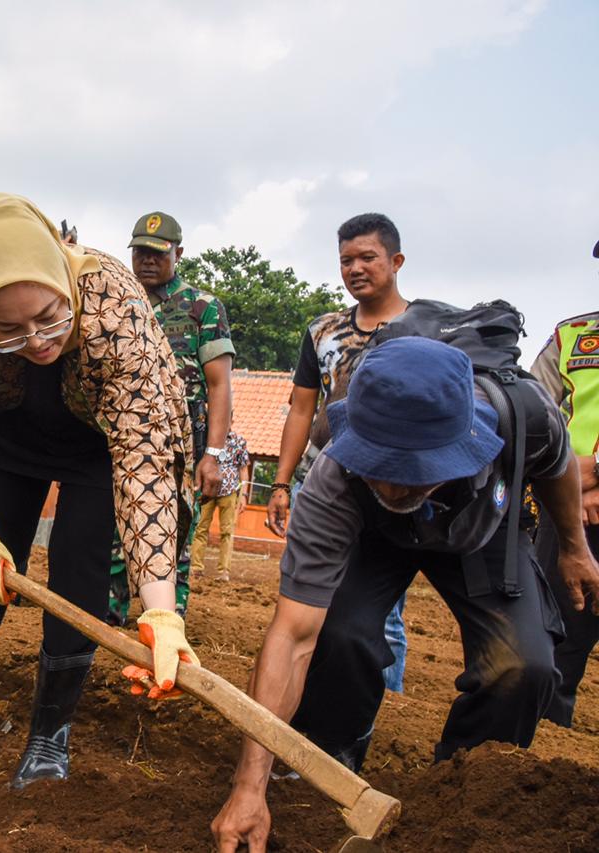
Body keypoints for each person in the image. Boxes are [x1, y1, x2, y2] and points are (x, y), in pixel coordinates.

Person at [211, 337, 599, 852]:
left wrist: (574, 547)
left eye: (415, 471)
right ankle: (328, 756)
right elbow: (293, 635)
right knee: (339, 635)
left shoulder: (524, 418)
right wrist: (247, 788)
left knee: (524, 668)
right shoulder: (335, 477)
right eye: (381, 466)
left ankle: (461, 784)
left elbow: (557, 469)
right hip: (375, 537)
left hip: (479, 531)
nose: (396, 489)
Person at [0, 193, 196, 789]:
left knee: (76, 579)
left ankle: (50, 737)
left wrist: (159, 607)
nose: (35, 342)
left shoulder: (116, 307)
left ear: (64, 283)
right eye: (9, 330)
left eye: (50, 318)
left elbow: (143, 458)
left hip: (98, 451)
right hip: (15, 438)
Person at [267, 212, 413, 693]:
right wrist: (282, 483)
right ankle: (313, 709)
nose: (355, 268)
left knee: (383, 610)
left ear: (395, 261)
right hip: (324, 481)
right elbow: (301, 410)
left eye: (367, 257)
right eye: (346, 260)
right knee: (307, 601)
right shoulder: (322, 331)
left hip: (393, 485)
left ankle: (382, 714)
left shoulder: (423, 329)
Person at [107, 211, 235, 624]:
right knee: (110, 541)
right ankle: (108, 621)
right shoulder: (116, 302)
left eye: (157, 253)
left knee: (173, 541)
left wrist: (213, 453)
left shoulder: (203, 308)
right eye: (140, 251)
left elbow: (219, 387)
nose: (147, 260)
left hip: (178, 452)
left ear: (178, 253)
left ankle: (165, 628)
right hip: (118, 444)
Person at [529, 242, 599, 728]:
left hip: (582, 490)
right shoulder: (570, 336)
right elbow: (533, 412)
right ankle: (544, 761)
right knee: (551, 641)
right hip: (568, 514)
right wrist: (570, 479)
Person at [190, 430, 249, 580]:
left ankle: (224, 571)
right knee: (200, 528)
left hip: (229, 492)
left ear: (232, 419)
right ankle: (196, 568)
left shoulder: (239, 441)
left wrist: (243, 495)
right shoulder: (206, 437)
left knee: (227, 532)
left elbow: (243, 469)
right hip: (207, 491)